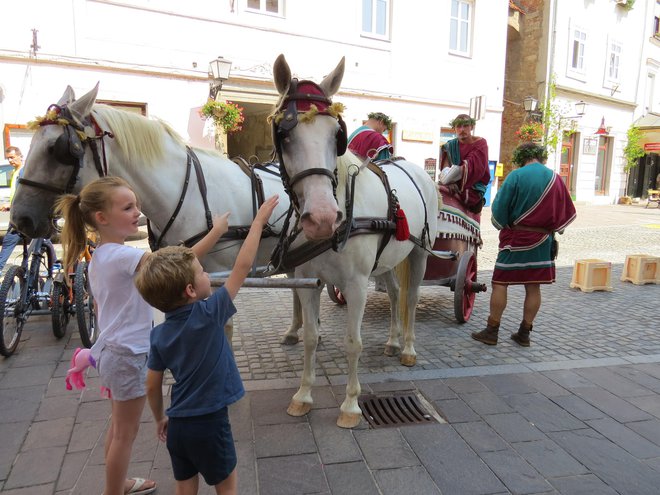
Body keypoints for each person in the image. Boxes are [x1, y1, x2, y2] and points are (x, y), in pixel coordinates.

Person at [55, 176, 230, 495]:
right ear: (101, 218)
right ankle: (113, 491)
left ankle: (116, 482)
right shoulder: (123, 257)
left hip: (111, 350)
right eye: (128, 207)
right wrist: (217, 231)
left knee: (118, 426)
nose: (138, 211)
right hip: (127, 355)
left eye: (136, 204)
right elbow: (179, 264)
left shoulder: (102, 255)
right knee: (126, 432)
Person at [135, 195, 279, 495]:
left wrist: (160, 416)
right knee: (226, 487)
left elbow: (151, 384)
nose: (206, 274)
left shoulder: (159, 335)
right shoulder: (210, 313)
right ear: (190, 290)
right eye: (202, 272)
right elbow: (242, 266)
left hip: (177, 425)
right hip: (210, 425)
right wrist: (258, 223)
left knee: (185, 487)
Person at [471, 142, 576, 347]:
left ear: (521, 157)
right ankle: (524, 333)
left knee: (500, 283)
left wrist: (503, 223)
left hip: (515, 241)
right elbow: (565, 216)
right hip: (543, 242)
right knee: (533, 287)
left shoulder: (516, 176)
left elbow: (499, 212)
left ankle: (492, 331)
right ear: (541, 157)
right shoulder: (556, 178)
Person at [438, 114, 491, 213]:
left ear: (472, 126)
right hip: (452, 184)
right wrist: (449, 181)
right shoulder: (449, 146)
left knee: (470, 198)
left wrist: (452, 178)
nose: (462, 129)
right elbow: (445, 170)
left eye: (465, 126)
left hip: (473, 187)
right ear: (454, 129)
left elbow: (475, 167)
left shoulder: (481, 143)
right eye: (458, 126)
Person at [0, 146, 25, 274]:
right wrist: (10, 205)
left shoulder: (24, 172)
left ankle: (54, 265)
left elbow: (25, 194)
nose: (10, 161)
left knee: (41, 241)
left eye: (12, 157)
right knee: (41, 241)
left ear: (20, 156)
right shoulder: (16, 171)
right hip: (17, 214)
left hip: (21, 216)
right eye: (8, 158)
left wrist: (13, 206)